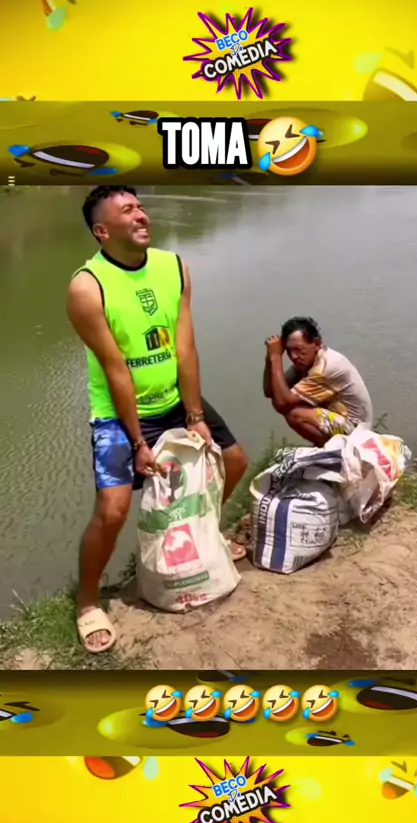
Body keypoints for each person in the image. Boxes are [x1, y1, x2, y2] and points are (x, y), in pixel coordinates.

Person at [67, 185, 248, 654]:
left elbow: (185, 346)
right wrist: (138, 442)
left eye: (141, 207)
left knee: (233, 461)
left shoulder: (174, 266)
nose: (141, 215)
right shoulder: (87, 287)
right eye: (127, 210)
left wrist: (194, 415)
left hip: (174, 400)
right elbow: (115, 370)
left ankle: (204, 535)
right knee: (113, 510)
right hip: (119, 411)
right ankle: (88, 601)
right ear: (102, 231)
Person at [263, 316, 373, 445]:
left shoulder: (326, 366)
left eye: (298, 349)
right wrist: (270, 358)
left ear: (316, 344)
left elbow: (283, 402)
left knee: (296, 414)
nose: (293, 356)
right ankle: (327, 446)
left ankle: (334, 450)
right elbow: (271, 392)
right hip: (337, 419)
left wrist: (276, 357)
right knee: (289, 404)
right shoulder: (305, 363)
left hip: (356, 428)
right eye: (289, 351)